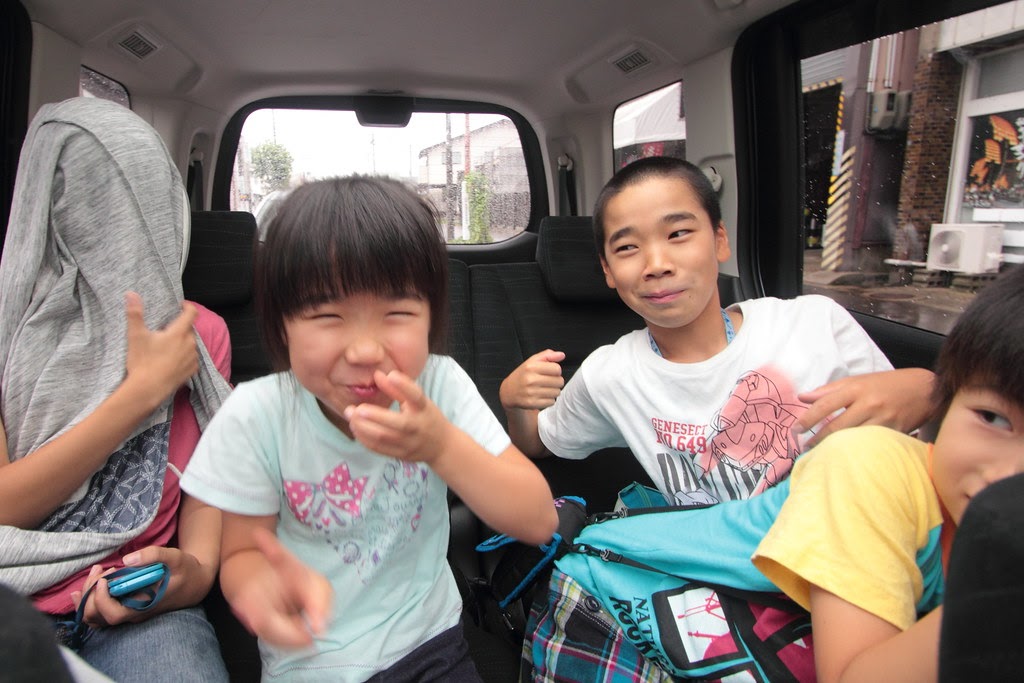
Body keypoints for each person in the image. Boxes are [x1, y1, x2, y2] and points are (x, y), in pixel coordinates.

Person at [500, 156, 935, 680]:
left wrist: (928, 390)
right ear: (608, 272)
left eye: (678, 233)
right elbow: (541, 445)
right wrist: (515, 404)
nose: (656, 262)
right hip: (725, 581)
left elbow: (912, 463)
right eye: (628, 247)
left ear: (720, 241)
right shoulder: (610, 375)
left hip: (845, 569)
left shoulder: (811, 325)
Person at [180, 175, 559, 681]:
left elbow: (538, 521)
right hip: (309, 663)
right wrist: (260, 592)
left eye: (397, 313)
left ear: (430, 317)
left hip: (431, 642)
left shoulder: (439, 386)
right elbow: (245, 551)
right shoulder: (256, 415)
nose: (363, 350)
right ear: (282, 325)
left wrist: (442, 446)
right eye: (327, 315)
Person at [0, 97, 232, 681]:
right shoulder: (6, 335)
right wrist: (137, 397)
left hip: (141, 611)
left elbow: (204, 517)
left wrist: (188, 578)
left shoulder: (199, 335)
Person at [751, 262, 1024, 682]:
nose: (1009, 473)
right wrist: (998, 597)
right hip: (635, 586)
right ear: (946, 406)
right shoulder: (865, 465)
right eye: (993, 418)